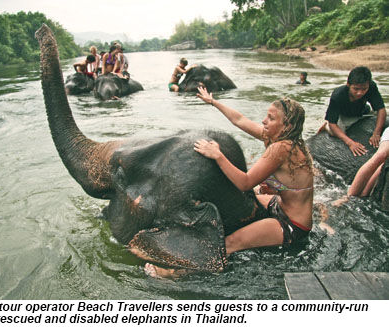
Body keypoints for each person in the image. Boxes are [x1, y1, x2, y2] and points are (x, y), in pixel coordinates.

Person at [145, 86, 314, 278]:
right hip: (280, 205)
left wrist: (218, 155)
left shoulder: (281, 148)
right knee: (254, 195)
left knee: (230, 242)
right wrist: (214, 102)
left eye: (271, 118)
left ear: (287, 126)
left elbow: (245, 183)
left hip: (293, 224)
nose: (263, 121)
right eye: (266, 116)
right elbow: (239, 120)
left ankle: (176, 274)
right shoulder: (279, 138)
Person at [317, 66, 386, 157]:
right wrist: (350, 143)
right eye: (356, 89)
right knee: (336, 131)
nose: (360, 93)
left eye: (364, 89)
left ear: (368, 85)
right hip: (344, 115)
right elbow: (333, 124)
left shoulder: (371, 87)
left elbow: (381, 109)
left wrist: (376, 133)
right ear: (348, 85)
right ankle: (326, 126)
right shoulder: (338, 95)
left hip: (362, 111)